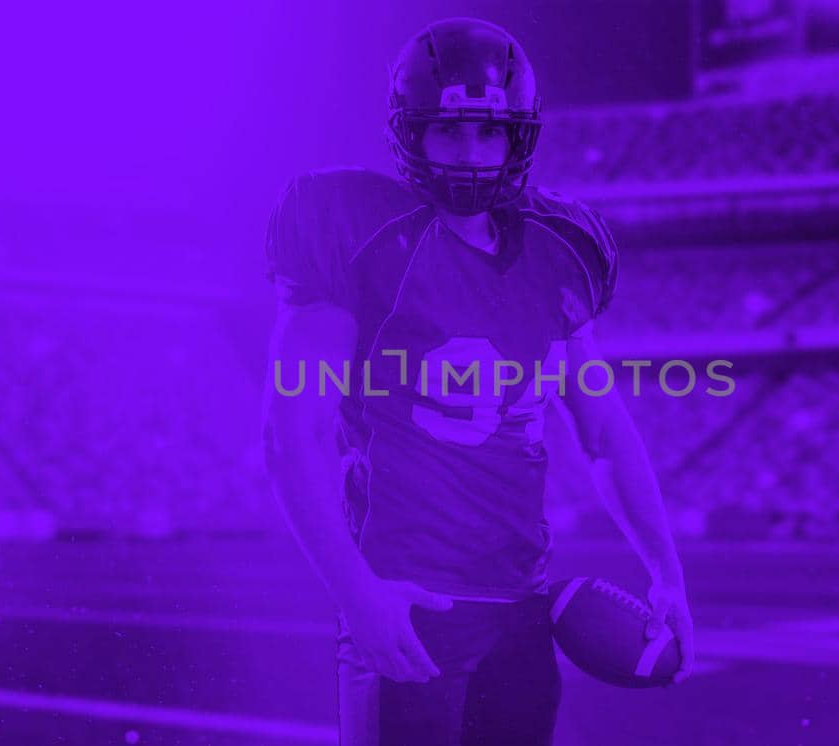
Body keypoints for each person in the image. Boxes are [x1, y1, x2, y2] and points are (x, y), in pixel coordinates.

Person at [260, 17, 695, 745]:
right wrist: (356, 593)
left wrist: (667, 572)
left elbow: (605, 434)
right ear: (411, 134)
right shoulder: (356, 232)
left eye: (488, 133)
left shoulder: (562, 251)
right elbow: (290, 434)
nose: (469, 154)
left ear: (517, 137)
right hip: (409, 601)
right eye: (449, 133)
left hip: (521, 608)